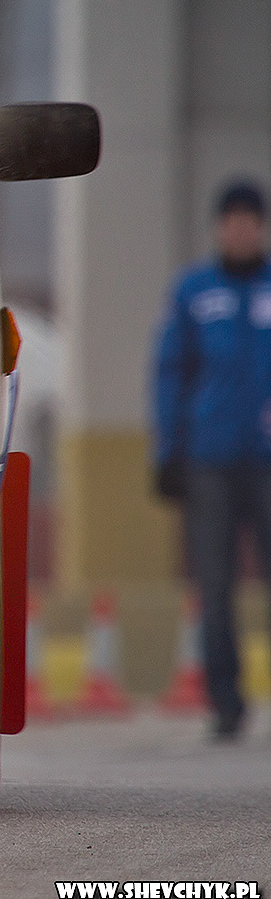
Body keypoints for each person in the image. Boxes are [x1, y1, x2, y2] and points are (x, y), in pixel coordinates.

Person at [152, 178, 271, 741]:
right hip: (210, 462)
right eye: (233, 220)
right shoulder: (194, 291)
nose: (242, 230)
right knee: (217, 585)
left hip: (268, 462)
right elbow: (170, 373)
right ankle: (226, 703)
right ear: (220, 227)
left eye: (252, 220)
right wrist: (167, 452)